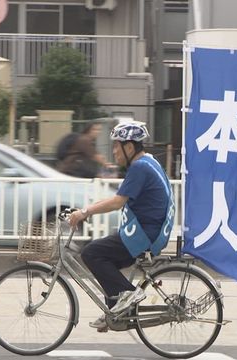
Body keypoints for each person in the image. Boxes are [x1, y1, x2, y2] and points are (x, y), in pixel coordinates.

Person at [67, 121, 174, 331]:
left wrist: (84, 212)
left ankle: (128, 297)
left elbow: (117, 202)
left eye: (117, 146)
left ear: (130, 147)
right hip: (148, 232)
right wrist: (85, 210)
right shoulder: (148, 162)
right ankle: (115, 310)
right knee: (106, 259)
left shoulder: (140, 167)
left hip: (144, 235)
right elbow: (117, 199)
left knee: (91, 253)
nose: (114, 151)